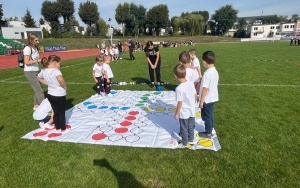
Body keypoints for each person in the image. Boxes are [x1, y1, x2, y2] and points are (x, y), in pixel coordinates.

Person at [37, 55, 67, 132]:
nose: (59, 65)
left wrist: (47, 83)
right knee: (61, 112)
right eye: (59, 63)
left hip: (50, 94)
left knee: (55, 111)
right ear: (54, 63)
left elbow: (38, 77)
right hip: (59, 94)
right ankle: (63, 128)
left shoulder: (44, 70)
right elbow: (60, 79)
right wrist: (64, 86)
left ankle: (57, 127)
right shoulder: (56, 71)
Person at [173, 64, 197, 148]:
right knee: (191, 126)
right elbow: (195, 95)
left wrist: (177, 113)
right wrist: (193, 104)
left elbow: (180, 103)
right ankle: (191, 139)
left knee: (184, 128)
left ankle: (184, 142)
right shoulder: (190, 83)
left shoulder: (179, 88)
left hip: (184, 112)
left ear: (175, 76)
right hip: (192, 110)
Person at [199, 51, 219, 138]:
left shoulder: (207, 74)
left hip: (207, 99)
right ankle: (211, 128)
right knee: (210, 115)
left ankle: (208, 133)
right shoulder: (215, 71)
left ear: (204, 61)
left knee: (206, 116)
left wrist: (201, 101)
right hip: (213, 97)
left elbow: (205, 88)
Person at [23, 33, 45, 110]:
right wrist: (38, 60)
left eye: (38, 40)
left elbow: (35, 60)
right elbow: (27, 62)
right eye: (36, 40)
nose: (38, 41)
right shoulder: (27, 49)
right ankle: (44, 109)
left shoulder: (36, 48)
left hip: (36, 70)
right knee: (40, 91)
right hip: (30, 72)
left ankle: (36, 105)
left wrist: (41, 62)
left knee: (38, 89)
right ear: (31, 40)